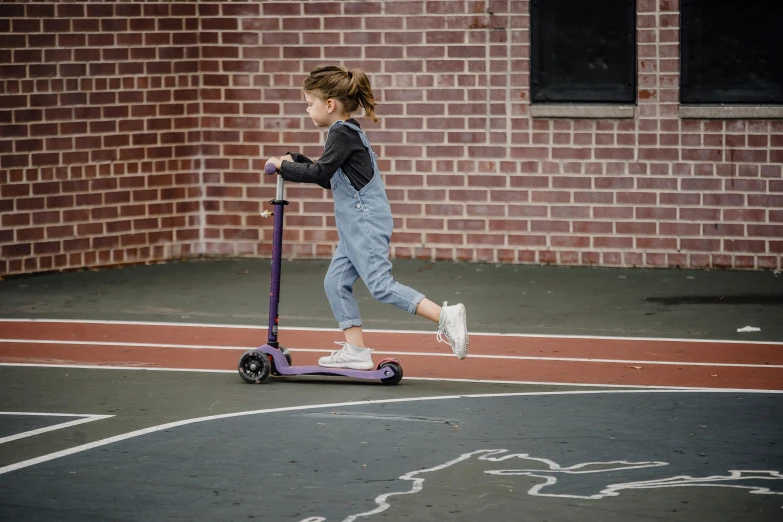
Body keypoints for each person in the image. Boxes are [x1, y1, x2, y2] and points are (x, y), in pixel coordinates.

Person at [265, 65, 468, 370]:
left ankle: (446, 316)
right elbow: (327, 176)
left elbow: (322, 172)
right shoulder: (346, 131)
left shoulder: (342, 133)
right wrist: (295, 161)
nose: (308, 110)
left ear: (329, 104)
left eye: (310, 103)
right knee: (335, 283)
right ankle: (356, 351)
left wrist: (282, 167)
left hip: (365, 222)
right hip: (353, 226)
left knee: (381, 286)